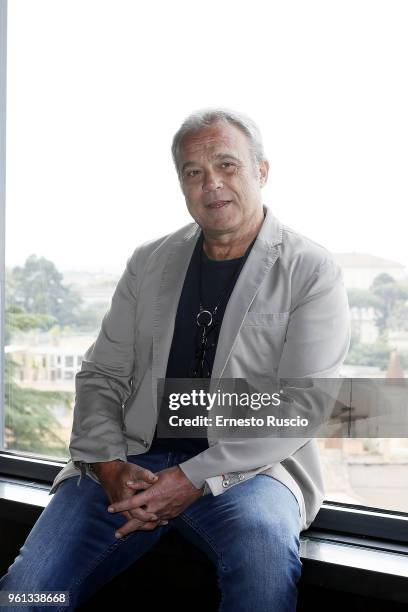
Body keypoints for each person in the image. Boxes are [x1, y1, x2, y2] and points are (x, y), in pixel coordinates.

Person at [0, 108, 350, 611]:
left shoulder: (310, 269)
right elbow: (102, 374)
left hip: (249, 470)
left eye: (227, 166)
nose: (212, 184)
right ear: (181, 184)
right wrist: (106, 464)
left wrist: (192, 478)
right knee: (25, 594)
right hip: (133, 460)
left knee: (263, 574)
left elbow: (301, 404)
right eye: (193, 172)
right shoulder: (149, 262)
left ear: (262, 172)